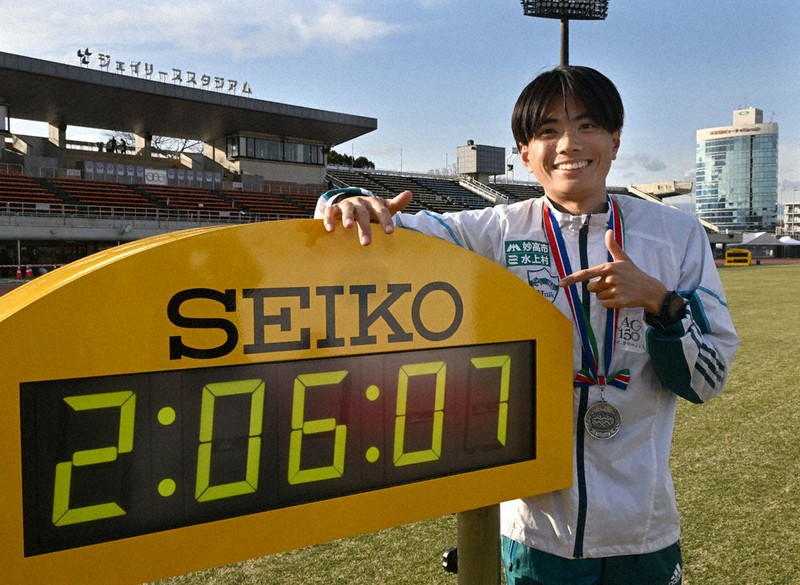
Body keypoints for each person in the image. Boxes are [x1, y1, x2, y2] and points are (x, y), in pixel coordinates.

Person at [315, 65, 738, 585]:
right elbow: (378, 228)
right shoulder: (491, 230)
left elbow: (706, 381)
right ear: (524, 152)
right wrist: (345, 200)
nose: (568, 144)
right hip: (535, 530)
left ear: (615, 139)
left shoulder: (675, 234)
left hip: (643, 527)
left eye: (586, 126)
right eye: (547, 131)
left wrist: (660, 303)